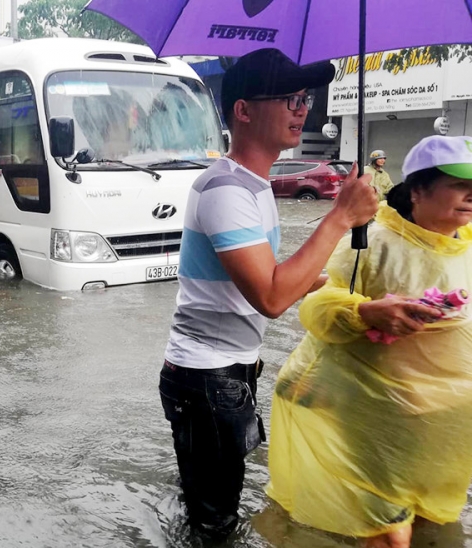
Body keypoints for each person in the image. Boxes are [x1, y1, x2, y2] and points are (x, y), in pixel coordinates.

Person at [158, 48, 379, 540]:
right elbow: (272, 297)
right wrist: (340, 216)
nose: (302, 109)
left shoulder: (253, 186)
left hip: (224, 373)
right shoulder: (226, 190)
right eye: (288, 98)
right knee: (216, 525)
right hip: (207, 379)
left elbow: (263, 279)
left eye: (304, 98)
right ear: (244, 110)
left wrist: (311, 279)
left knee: (206, 504)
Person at [266, 135, 472, 548]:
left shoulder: (466, 248)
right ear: (418, 190)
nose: (471, 196)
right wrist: (364, 312)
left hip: (435, 427)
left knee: (430, 525)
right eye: (459, 184)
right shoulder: (372, 243)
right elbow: (317, 306)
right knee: (389, 536)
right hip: (368, 419)